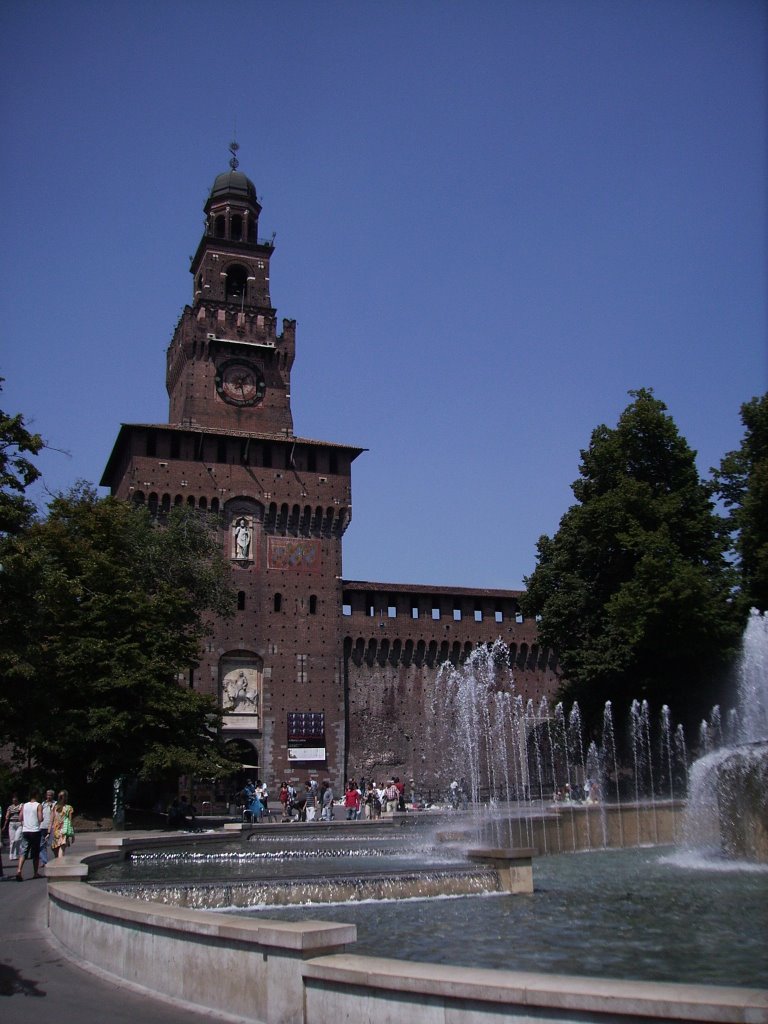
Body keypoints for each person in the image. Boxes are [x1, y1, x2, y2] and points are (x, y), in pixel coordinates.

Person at [16, 789, 44, 880]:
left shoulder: (24, 805)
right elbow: (40, 819)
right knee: (35, 853)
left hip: (25, 830)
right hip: (35, 831)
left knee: (23, 851)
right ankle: (35, 873)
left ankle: (19, 870)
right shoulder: (38, 805)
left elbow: (20, 817)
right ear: (36, 795)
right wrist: (41, 817)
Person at [49, 791, 75, 859]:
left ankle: (58, 864)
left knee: (55, 849)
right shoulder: (69, 808)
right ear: (66, 798)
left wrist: (48, 832)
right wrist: (72, 835)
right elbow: (70, 822)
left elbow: (51, 821)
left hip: (55, 831)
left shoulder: (54, 807)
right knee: (61, 850)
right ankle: (60, 865)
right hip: (64, 831)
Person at [4, 793, 24, 870]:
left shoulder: (21, 805)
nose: (14, 800)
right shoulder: (10, 807)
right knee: (12, 840)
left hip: (19, 823)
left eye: (16, 799)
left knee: (17, 839)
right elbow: (7, 816)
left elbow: (23, 813)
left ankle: (17, 853)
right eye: (13, 799)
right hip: (11, 824)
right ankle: (12, 854)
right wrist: (5, 825)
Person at [39, 789, 56, 866]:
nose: (49, 796)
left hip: (52, 826)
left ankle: (57, 859)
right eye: (48, 795)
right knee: (42, 845)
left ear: (53, 796)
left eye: (50, 795)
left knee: (53, 844)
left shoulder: (55, 804)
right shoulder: (42, 804)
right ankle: (44, 861)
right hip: (43, 826)